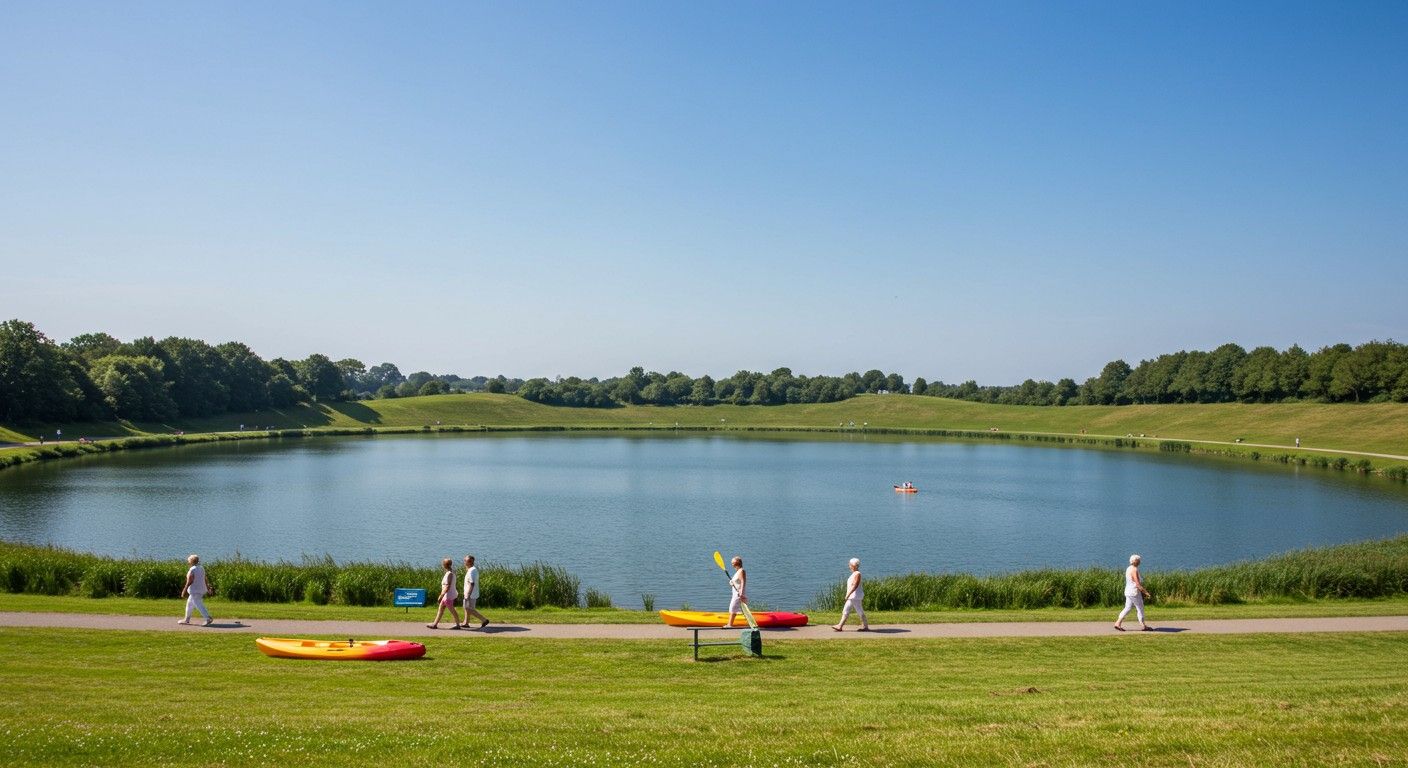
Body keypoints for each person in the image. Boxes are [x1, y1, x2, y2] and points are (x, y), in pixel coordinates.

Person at [1114, 554, 1153, 631]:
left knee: (1127, 608)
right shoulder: (1134, 570)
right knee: (1140, 608)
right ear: (1134, 561)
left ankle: (1117, 623)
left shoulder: (1128, 568)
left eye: (1139, 560)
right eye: (1138, 560)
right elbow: (1137, 584)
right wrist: (1146, 593)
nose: (1139, 561)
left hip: (1128, 592)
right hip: (1134, 593)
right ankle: (1143, 626)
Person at [832, 557, 869, 631]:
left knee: (857, 611)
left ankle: (865, 627)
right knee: (848, 610)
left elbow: (855, 585)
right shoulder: (854, 574)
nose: (849, 566)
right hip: (853, 596)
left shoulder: (857, 574)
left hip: (855, 596)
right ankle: (840, 626)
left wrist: (848, 594)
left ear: (853, 565)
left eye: (850, 564)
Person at [427, 558, 462, 629]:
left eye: (443, 564)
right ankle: (435, 624)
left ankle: (458, 625)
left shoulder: (449, 574)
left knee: (452, 610)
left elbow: (447, 586)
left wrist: (441, 595)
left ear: (445, 565)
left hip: (447, 596)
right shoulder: (450, 572)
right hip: (446, 595)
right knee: (441, 609)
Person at [178, 554, 213, 626]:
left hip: (195, 590)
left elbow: (189, 581)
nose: (188, 562)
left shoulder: (192, 569)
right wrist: (208, 588)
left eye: (188, 561)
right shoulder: (201, 568)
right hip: (200, 589)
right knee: (189, 604)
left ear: (191, 562)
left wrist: (184, 590)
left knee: (198, 604)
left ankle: (208, 618)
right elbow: (205, 579)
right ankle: (186, 619)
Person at [461, 555, 490, 630]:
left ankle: (484, 620)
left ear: (469, 562)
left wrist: (468, 594)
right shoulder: (473, 569)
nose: (464, 562)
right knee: (468, 608)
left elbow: (472, 583)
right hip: (473, 593)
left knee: (467, 607)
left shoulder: (471, 571)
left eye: (465, 561)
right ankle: (466, 622)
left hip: (470, 594)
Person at [725, 555, 747, 628]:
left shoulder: (741, 570)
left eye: (732, 562)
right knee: (744, 610)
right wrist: (732, 583)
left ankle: (729, 625)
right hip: (736, 593)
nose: (731, 564)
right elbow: (737, 582)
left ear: (737, 562)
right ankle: (750, 623)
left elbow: (743, 581)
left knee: (732, 608)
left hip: (738, 593)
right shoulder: (737, 571)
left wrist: (741, 592)